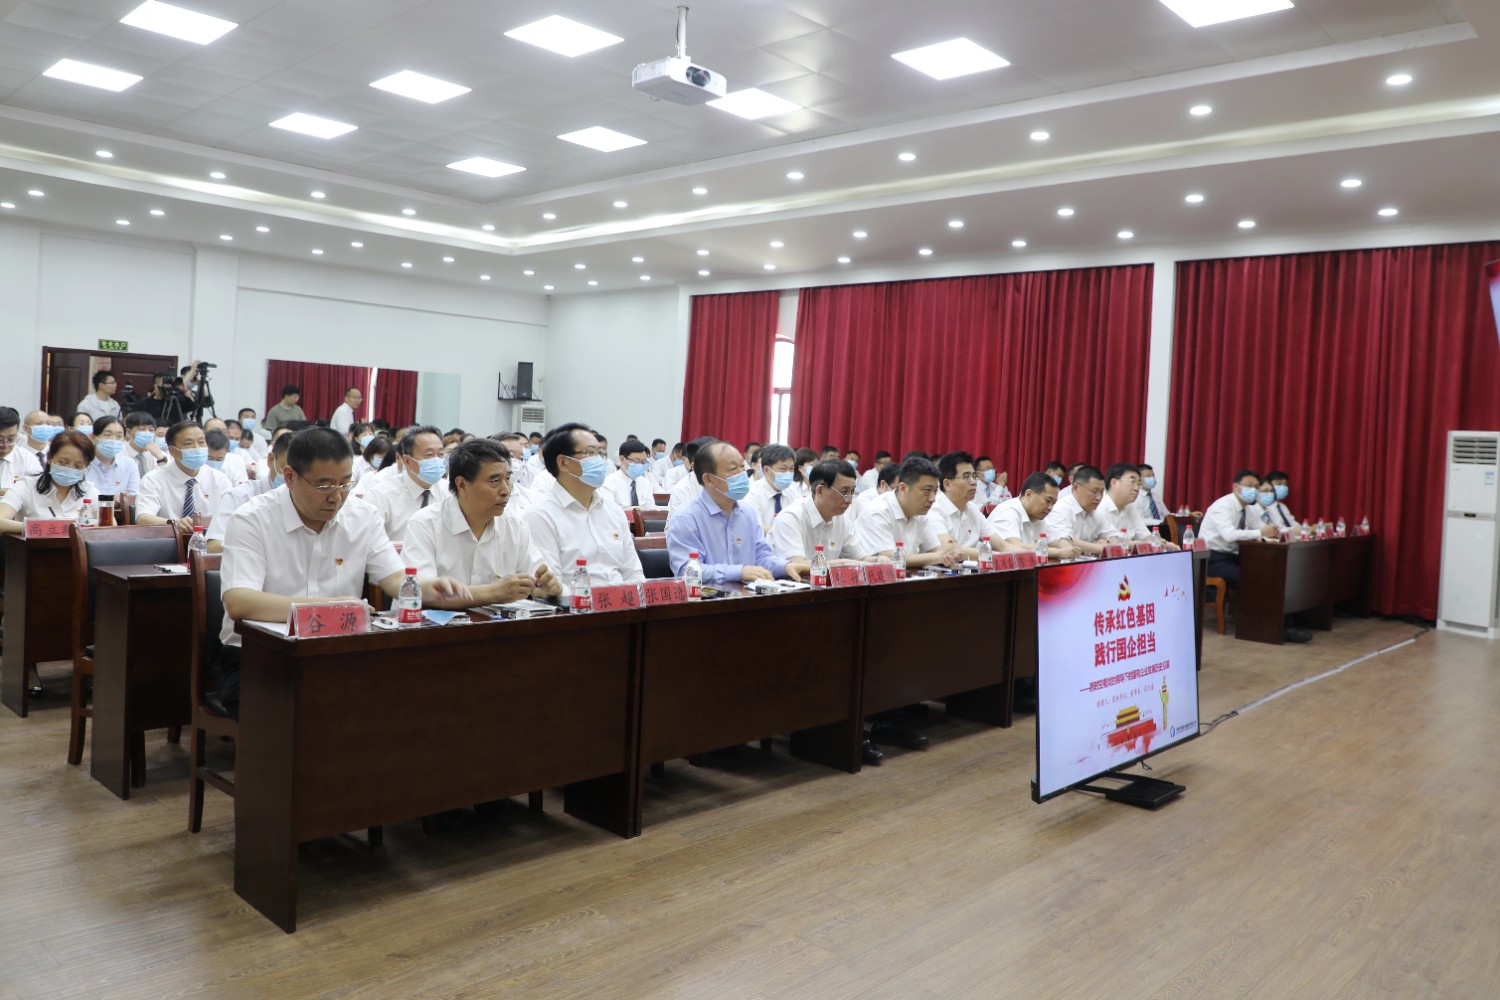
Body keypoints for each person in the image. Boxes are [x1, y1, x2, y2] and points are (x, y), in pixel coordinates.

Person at [216, 427, 471, 716]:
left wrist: (427, 588)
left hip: (336, 652)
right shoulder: (252, 519)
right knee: (308, 711)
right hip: (258, 656)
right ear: (289, 476)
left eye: (345, 483)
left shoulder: (363, 517)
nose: (337, 497)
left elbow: (395, 579)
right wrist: (330, 608)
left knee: (406, 698)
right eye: (324, 486)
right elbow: (239, 601)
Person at [404, 439, 560, 606]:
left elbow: (535, 580)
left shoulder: (514, 524)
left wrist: (546, 587)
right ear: (462, 485)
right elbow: (421, 593)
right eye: (494, 481)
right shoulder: (425, 524)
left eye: (508, 479)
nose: (506, 490)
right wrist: (495, 593)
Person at [523, 422, 645, 596]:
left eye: (600, 453)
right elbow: (551, 586)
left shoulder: (613, 511)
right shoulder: (540, 515)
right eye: (590, 453)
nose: (600, 461)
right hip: (576, 608)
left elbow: (633, 573)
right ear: (563, 462)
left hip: (624, 606)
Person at [665, 441, 808, 582]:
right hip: (706, 596)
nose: (742, 474)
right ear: (709, 479)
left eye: (742, 466)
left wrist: (785, 566)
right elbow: (688, 570)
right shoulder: (686, 518)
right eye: (734, 469)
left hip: (750, 594)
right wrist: (739, 572)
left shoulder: (748, 513)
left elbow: (762, 558)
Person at [852, 456, 961, 569]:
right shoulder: (878, 511)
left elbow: (936, 549)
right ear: (903, 488)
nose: (932, 499)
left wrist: (947, 553)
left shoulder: (920, 512)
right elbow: (889, 557)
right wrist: (939, 556)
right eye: (927, 490)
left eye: (935, 491)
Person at [135, 420, 234, 532]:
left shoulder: (219, 479)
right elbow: (143, 518)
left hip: (210, 539)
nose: (197, 448)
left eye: (201, 442)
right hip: (170, 539)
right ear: (173, 451)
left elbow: (232, 515)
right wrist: (175, 524)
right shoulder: (154, 479)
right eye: (189, 444)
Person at [768, 459, 873, 563]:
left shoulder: (842, 520)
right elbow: (798, 565)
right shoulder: (790, 518)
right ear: (820, 491)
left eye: (852, 492)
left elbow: (862, 559)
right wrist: (841, 564)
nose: (849, 500)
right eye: (844, 492)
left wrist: (878, 560)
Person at [206, 432, 290, 553]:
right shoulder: (241, 497)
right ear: (271, 460)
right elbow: (213, 546)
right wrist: (262, 548)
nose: (292, 479)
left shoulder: (309, 501)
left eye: (300, 473)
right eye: (286, 471)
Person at [0, 430, 99, 533]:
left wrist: (81, 525)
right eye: (63, 463)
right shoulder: (26, 486)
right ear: (49, 458)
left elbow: (107, 524)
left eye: (78, 466)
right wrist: (42, 528)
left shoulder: (89, 491)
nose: (70, 469)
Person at [364, 424, 448, 543]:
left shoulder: (449, 492)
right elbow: (367, 541)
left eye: (440, 454)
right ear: (407, 461)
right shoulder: (381, 495)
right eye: (429, 455)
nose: (437, 460)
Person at [1199, 469, 1282, 588]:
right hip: (1213, 558)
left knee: (1266, 571)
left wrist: (1273, 531)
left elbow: (1261, 527)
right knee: (1249, 578)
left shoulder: (1247, 508)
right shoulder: (1223, 506)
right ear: (1236, 487)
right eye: (1249, 486)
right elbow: (1229, 535)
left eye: (1256, 487)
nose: (1253, 490)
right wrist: (1261, 532)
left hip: (1235, 556)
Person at [986, 472, 1079, 558]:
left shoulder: (1038, 517)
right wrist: (1059, 552)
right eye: (1048, 501)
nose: (1050, 507)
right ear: (1029, 494)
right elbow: (1015, 547)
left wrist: (1067, 547)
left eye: (1053, 503)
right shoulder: (1007, 512)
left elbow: (1056, 541)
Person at [1097, 462, 1173, 547]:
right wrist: (1144, 543)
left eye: (1138, 484)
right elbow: (1112, 543)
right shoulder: (1100, 507)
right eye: (1132, 481)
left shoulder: (1130, 508)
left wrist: (1165, 544)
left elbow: (1145, 536)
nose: (1136, 488)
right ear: (1114, 483)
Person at [1043, 465, 1111, 556]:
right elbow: (1065, 540)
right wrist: (1100, 548)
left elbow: (1113, 536)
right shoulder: (1062, 508)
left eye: (1102, 492)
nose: (1098, 497)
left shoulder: (1096, 512)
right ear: (1076, 488)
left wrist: (1104, 541)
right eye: (1094, 492)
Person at [930, 451, 989, 555]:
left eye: (974, 476)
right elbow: (950, 549)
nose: (974, 482)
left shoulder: (973, 508)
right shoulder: (934, 509)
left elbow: (1001, 545)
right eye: (966, 476)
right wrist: (992, 555)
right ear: (947, 484)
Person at [744, 443, 798, 533]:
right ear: (766, 470)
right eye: (783, 469)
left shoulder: (792, 491)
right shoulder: (752, 493)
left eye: (791, 469)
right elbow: (754, 526)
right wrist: (785, 532)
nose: (788, 473)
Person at [85, 416, 139, 498]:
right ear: (92, 437)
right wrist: (111, 499)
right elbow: (79, 498)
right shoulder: (83, 464)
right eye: (107, 435)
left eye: (119, 436)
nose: (113, 439)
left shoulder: (129, 464)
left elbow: (133, 497)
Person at [602, 438, 661, 509]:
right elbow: (609, 512)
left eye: (643, 461)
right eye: (636, 461)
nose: (640, 465)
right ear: (622, 459)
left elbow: (651, 509)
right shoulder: (608, 483)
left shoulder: (645, 483)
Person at [666, 436, 716, 516]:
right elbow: (683, 523)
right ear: (694, 467)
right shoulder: (681, 490)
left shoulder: (727, 482)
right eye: (713, 463)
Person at [0, 406, 42, 499]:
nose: (5, 446)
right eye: (0, 440)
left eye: (11, 439)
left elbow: (39, 492)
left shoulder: (27, 459)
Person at [123, 411, 166, 479]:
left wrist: (161, 459)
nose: (147, 433)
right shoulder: (118, 454)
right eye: (142, 429)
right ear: (128, 432)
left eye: (151, 430)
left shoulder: (160, 455)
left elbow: (168, 479)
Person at [1134, 462, 1165, 526]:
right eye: (1148, 476)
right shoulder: (1135, 497)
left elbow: (1166, 514)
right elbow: (1138, 520)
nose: (1152, 478)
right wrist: (1158, 522)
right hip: (1145, 529)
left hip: (1162, 528)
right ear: (1139, 479)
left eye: (1153, 475)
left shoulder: (1156, 496)